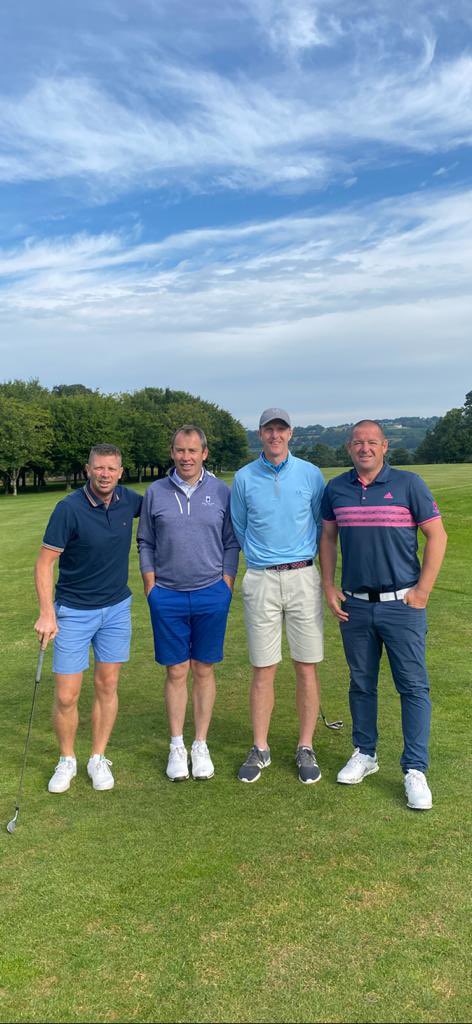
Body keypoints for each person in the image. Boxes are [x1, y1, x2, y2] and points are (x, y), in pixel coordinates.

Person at [319, 419, 447, 811]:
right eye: (358, 442)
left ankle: (414, 770)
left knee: (412, 686)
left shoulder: (409, 484)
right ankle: (366, 753)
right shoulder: (336, 488)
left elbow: (436, 536)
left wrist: (423, 590)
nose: (365, 448)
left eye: (372, 442)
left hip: (402, 605)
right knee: (361, 683)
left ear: (385, 446)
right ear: (349, 448)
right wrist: (328, 584)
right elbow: (327, 536)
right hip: (355, 605)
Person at [34, 444, 142, 794]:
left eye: (111, 468)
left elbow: (169, 499)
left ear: (120, 472)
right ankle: (67, 759)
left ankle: (98, 757)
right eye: (99, 468)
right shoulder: (68, 509)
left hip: (115, 610)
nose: (105, 474)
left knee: (107, 685)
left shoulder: (129, 500)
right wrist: (47, 613)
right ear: (88, 469)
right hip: (73, 612)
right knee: (67, 695)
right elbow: (44, 563)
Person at [137, 425, 239, 782]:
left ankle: (200, 743)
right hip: (168, 594)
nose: (186, 457)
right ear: (172, 452)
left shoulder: (221, 491)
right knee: (176, 671)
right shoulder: (156, 492)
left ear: (204, 453)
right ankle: (177, 745)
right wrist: (151, 586)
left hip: (212, 591)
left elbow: (231, 541)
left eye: (193, 451)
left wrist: (227, 583)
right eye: (180, 450)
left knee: (204, 669)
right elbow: (145, 541)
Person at [230, 408, 325, 784]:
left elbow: (320, 524)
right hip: (261, 578)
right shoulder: (243, 477)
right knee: (263, 668)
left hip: (303, 575)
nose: (275, 435)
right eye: (269, 429)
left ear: (291, 434)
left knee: (306, 666)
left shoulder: (310, 474)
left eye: (280, 429)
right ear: (260, 434)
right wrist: (264, 559)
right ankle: (260, 747)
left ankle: (305, 746)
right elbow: (240, 527)